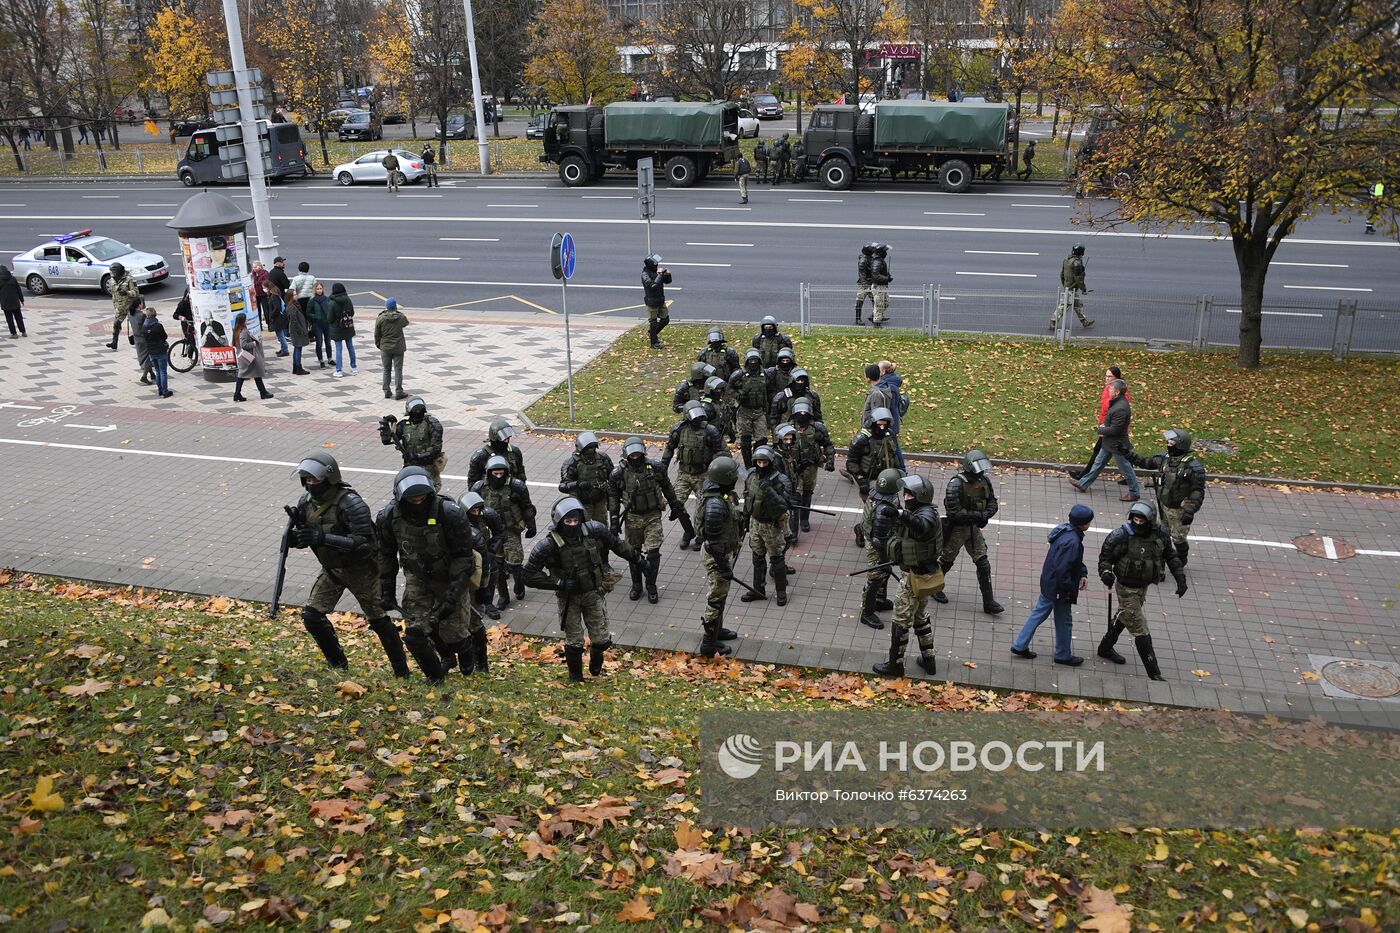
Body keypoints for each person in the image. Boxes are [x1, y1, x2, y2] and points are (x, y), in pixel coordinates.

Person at [289, 452, 409, 677]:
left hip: (362, 572)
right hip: (333, 570)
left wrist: (323, 539)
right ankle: (338, 664)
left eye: (314, 479)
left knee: (380, 621)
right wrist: (297, 539)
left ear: (329, 478)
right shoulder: (306, 503)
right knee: (312, 617)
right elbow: (306, 536)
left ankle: (402, 671)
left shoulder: (351, 504)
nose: (309, 484)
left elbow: (364, 544)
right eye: (307, 480)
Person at [378, 466, 486, 681]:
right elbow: (386, 554)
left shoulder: (450, 513)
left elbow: (464, 557)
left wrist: (452, 595)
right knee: (415, 634)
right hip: (418, 578)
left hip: (451, 577)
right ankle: (435, 677)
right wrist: (387, 590)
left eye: (421, 498)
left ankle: (464, 650)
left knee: (453, 634)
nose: (417, 502)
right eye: (412, 499)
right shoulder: (389, 517)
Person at [522, 497, 645, 682]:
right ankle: (575, 677)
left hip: (593, 593)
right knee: (574, 641)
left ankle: (596, 661)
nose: (572, 524)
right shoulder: (548, 545)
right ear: (559, 522)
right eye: (568, 521)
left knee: (601, 639)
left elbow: (616, 544)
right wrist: (559, 583)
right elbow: (528, 575)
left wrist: (639, 560)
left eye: (575, 520)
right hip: (569, 598)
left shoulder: (594, 530)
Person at [1097, 501, 1187, 681]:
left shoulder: (1160, 534)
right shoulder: (1120, 536)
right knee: (1140, 629)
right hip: (1126, 588)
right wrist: (1106, 573)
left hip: (1143, 586)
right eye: (1135, 520)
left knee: (1126, 615)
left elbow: (1170, 555)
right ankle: (1154, 674)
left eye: (1141, 521)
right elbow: (1105, 559)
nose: (1137, 524)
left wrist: (1180, 577)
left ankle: (1105, 648)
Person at [872, 475, 944, 678]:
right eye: (905, 493)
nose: (906, 496)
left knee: (900, 621)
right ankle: (929, 660)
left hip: (913, 578)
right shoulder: (917, 511)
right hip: (921, 575)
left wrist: (900, 513)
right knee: (920, 617)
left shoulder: (927, 514)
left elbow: (921, 526)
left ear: (921, 496)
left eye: (910, 494)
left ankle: (895, 665)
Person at [1010, 504, 1094, 665]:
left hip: (1049, 583)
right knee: (1064, 621)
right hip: (1059, 588)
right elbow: (1064, 569)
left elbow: (1068, 562)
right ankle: (1062, 654)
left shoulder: (1064, 532)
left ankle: (1020, 644)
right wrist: (1069, 589)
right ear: (1083, 524)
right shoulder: (1074, 541)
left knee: (1039, 612)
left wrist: (1082, 572)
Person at [609, 436, 686, 604]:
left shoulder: (655, 468)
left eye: (638, 455)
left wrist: (675, 506)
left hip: (653, 516)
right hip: (632, 518)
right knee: (633, 552)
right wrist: (614, 520)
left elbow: (667, 486)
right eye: (632, 455)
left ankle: (651, 585)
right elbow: (613, 497)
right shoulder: (618, 474)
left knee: (653, 552)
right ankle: (637, 585)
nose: (636, 458)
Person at [931, 449, 1005, 615]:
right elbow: (954, 512)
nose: (981, 472)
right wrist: (979, 515)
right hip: (957, 529)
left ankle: (989, 602)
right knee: (947, 560)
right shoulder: (956, 484)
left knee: (983, 563)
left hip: (973, 529)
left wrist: (986, 514)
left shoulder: (984, 481)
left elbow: (992, 502)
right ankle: (934, 587)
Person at [1126, 428, 1207, 567]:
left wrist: (1190, 511)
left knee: (1178, 538)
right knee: (1161, 534)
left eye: (1172, 442)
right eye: (1168, 442)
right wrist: (1127, 454)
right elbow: (1146, 462)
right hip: (1163, 506)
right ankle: (1162, 559)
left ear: (1180, 444)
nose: (1168, 444)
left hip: (1179, 510)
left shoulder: (1193, 467)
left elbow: (1197, 491)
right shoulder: (1164, 459)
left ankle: (1181, 559)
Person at [471, 455, 536, 611]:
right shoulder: (479, 487)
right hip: (491, 531)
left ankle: (519, 585)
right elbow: (471, 507)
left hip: (511, 529)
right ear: (489, 473)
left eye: (501, 473)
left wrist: (531, 525)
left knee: (515, 562)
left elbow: (527, 506)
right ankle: (503, 596)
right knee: (497, 565)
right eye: (495, 474)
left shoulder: (516, 486)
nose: (498, 477)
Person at [661, 402, 725, 550]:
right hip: (684, 473)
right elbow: (669, 449)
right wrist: (662, 470)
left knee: (702, 507)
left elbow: (721, 452)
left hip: (703, 475)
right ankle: (688, 531)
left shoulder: (710, 431)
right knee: (676, 504)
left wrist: (716, 473)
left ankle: (701, 535)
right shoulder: (679, 430)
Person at [696, 456, 743, 657]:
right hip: (717, 556)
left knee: (721, 596)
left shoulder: (720, 493)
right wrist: (723, 566)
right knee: (716, 598)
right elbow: (713, 542)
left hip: (721, 553)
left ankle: (717, 630)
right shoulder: (715, 503)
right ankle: (708, 644)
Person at [741, 445, 796, 606]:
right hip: (755, 522)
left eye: (765, 462)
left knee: (776, 559)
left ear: (770, 462)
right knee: (757, 558)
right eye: (759, 462)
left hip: (772, 526)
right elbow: (747, 497)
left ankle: (780, 592)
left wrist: (770, 490)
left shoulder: (781, 480)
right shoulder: (751, 476)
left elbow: (784, 505)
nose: (761, 465)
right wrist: (745, 517)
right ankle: (758, 590)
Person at [1070, 378, 1140, 502]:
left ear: (1117, 392)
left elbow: (1115, 430)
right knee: (1098, 463)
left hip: (1118, 445)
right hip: (1110, 442)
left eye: (1111, 389)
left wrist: (1101, 429)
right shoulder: (1118, 403)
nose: (1109, 390)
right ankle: (1083, 483)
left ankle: (1134, 492)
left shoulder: (1121, 408)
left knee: (1125, 468)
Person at [846, 407, 900, 547]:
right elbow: (851, 462)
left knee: (894, 509)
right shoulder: (862, 439)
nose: (882, 428)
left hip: (888, 479)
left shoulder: (890, 435)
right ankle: (862, 529)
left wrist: (900, 472)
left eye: (885, 424)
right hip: (868, 479)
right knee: (875, 511)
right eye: (879, 424)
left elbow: (895, 454)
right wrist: (860, 480)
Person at [858, 468, 903, 629]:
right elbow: (878, 540)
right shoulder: (882, 508)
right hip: (878, 546)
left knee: (884, 573)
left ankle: (879, 600)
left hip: (883, 540)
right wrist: (885, 558)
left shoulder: (880, 497)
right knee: (875, 578)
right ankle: (867, 612)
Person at [1068, 365, 1128, 482]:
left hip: (1112, 429)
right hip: (1108, 426)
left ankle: (1083, 478)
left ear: (1116, 377)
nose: (1106, 378)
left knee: (1101, 453)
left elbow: (1110, 408)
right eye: (1106, 376)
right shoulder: (1109, 388)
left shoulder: (1119, 392)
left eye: (1109, 376)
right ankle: (1084, 479)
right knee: (1120, 454)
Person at [785, 399, 834, 539]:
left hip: (811, 467)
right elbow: (779, 449)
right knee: (795, 497)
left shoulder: (817, 429)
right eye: (799, 413)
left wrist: (830, 461)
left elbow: (828, 445)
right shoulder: (787, 429)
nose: (802, 416)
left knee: (807, 493)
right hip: (793, 468)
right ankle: (793, 531)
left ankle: (804, 519)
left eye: (804, 412)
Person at [458, 491, 505, 622]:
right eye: (473, 511)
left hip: (486, 552)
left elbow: (501, 533)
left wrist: (492, 550)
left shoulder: (488, 515)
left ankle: (488, 603)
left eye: (479, 510)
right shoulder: (457, 521)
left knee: (492, 573)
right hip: (467, 555)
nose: (477, 513)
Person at [729, 349, 773, 468]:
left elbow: (771, 390)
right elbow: (729, 388)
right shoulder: (739, 375)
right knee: (745, 440)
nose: (753, 363)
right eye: (751, 361)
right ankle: (748, 465)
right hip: (744, 411)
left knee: (762, 439)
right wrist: (738, 396)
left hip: (759, 411)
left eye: (755, 360)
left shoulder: (766, 374)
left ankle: (758, 462)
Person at [393, 396, 446, 490]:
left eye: (419, 410)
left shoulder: (431, 423)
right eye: (415, 410)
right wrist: (387, 425)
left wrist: (417, 455)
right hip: (409, 468)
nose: (417, 412)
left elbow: (436, 448)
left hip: (428, 469)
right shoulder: (404, 425)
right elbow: (388, 440)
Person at [468, 418, 528, 487]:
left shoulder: (514, 452)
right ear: (494, 437)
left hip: (511, 495)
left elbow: (521, 477)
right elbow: (472, 485)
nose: (507, 441)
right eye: (503, 437)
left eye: (508, 437)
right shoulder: (480, 457)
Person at [231, 312, 273, 402]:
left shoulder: (236, 330)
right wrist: (253, 343)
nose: (247, 321)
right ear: (242, 321)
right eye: (246, 319)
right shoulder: (244, 331)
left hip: (243, 356)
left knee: (247, 374)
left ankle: (261, 392)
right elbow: (244, 345)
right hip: (248, 356)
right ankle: (262, 393)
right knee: (250, 374)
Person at [1053, 243, 1094, 329]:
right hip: (1072, 289)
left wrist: (1065, 284)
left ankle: (1084, 321)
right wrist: (1084, 289)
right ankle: (1053, 321)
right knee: (1064, 306)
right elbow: (1078, 279)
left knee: (1077, 305)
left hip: (1068, 287)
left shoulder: (1067, 260)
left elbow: (1062, 274)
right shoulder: (1077, 263)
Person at [374, 297, 409, 399]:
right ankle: (399, 391)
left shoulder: (380, 318)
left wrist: (379, 345)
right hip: (398, 347)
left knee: (386, 369)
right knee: (398, 370)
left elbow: (377, 334)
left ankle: (386, 390)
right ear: (395, 307)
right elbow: (406, 322)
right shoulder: (400, 317)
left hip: (385, 347)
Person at [105, 262, 140, 350]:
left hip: (130, 306)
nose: (113, 273)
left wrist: (126, 292)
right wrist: (115, 305)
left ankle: (140, 340)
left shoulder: (129, 279)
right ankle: (114, 342)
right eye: (112, 271)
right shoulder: (112, 280)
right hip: (120, 307)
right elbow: (114, 294)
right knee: (116, 324)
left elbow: (136, 293)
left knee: (136, 325)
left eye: (115, 271)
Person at [142, 304, 172, 398]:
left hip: (151, 351)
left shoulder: (144, 327)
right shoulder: (158, 326)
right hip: (160, 350)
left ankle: (160, 391)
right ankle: (165, 391)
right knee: (163, 372)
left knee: (158, 372)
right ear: (155, 315)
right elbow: (165, 336)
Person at [642, 255, 672, 349]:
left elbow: (668, 282)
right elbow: (652, 286)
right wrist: (660, 275)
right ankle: (654, 342)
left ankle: (652, 333)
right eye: (655, 265)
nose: (656, 266)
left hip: (660, 299)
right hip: (652, 301)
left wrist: (667, 274)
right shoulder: (645, 275)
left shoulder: (656, 271)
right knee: (653, 322)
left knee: (665, 319)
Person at [328, 282, 357, 377]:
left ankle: (339, 370)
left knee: (338, 348)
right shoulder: (348, 299)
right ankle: (354, 367)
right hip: (348, 326)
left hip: (337, 328)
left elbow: (330, 318)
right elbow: (352, 313)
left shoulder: (332, 302)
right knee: (350, 346)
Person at [304, 281, 334, 369]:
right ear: (315, 290)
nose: (319, 290)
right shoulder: (312, 301)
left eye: (321, 288)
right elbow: (308, 312)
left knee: (328, 342)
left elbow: (330, 310)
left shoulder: (327, 299)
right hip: (317, 324)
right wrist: (316, 316)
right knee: (319, 343)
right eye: (317, 289)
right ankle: (321, 360)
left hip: (327, 324)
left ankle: (330, 359)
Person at [258, 281, 288, 356]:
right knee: (280, 335)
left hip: (277, 318)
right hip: (278, 318)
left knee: (280, 335)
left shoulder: (274, 296)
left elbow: (276, 308)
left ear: (268, 287)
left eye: (264, 288)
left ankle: (285, 350)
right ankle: (283, 348)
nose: (263, 289)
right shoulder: (274, 294)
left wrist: (271, 315)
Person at [129, 298, 154, 386]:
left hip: (136, 339)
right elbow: (146, 327)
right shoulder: (142, 315)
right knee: (147, 358)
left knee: (143, 357)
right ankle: (144, 376)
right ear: (139, 305)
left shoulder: (130, 314)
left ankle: (152, 374)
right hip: (144, 339)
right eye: (141, 303)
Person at [288, 290, 312, 375]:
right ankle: (298, 367)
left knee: (297, 348)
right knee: (298, 348)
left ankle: (296, 367)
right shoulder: (292, 307)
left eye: (296, 294)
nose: (296, 296)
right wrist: (301, 330)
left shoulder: (294, 305)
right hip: (297, 331)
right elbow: (294, 321)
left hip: (297, 330)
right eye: (294, 295)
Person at [0, 265, 27, 338]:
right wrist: (22, 300)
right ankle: (23, 332)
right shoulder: (13, 279)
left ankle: (14, 334)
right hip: (15, 302)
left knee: (9, 319)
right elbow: (19, 290)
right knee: (19, 317)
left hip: (5, 303)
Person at [853, 243, 875, 326]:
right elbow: (862, 275)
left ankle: (874, 316)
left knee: (876, 301)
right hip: (864, 284)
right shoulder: (863, 261)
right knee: (860, 300)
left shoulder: (869, 258)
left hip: (871, 282)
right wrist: (866, 286)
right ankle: (858, 319)